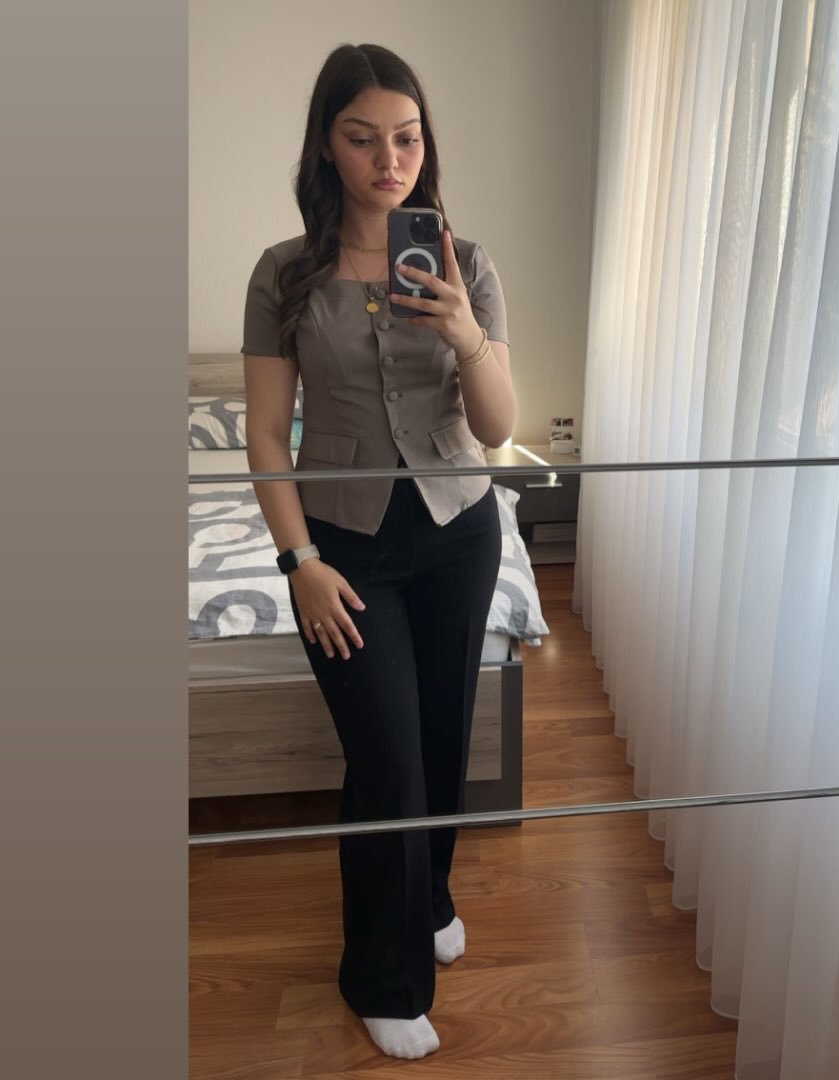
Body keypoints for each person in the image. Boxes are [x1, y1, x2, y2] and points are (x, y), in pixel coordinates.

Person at [240, 43, 516, 1061]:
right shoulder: (285, 273)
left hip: (457, 528)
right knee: (388, 757)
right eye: (363, 139)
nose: (388, 160)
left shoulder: (465, 263)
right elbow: (265, 434)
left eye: (406, 138)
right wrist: (298, 563)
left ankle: (428, 894)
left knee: (442, 738)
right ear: (327, 145)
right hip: (343, 544)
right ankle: (379, 976)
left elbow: (498, 428)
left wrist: (465, 333)